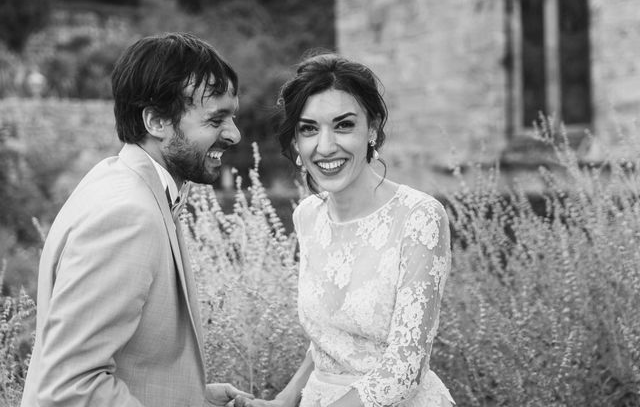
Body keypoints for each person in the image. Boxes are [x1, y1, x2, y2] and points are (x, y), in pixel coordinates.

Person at [21, 32, 252, 407]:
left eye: (233, 117)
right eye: (216, 120)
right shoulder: (127, 215)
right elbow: (69, 388)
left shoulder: (122, 181)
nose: (234, 134)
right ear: (157, 121)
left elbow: (128, 366)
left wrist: (195, 399)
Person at [238, 53, 454, 407]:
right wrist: (284, 400)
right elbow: (328, 342)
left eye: (343, 125)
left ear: (372, 129)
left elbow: (405, 369)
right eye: (309, 129)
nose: (325, 146)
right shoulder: (307, 216)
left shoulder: (420, 217)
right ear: (295, 142)